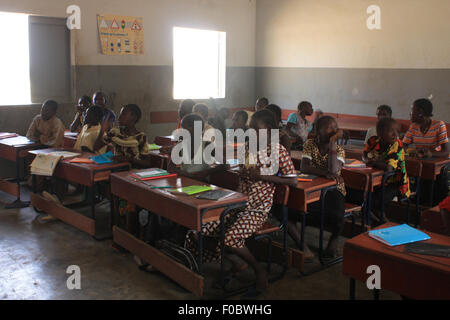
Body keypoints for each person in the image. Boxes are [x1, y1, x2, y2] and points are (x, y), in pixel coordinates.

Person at [185, 109, 297, 296]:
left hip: (257, 209)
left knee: (230, 238)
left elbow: (293, 180)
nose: (250, 131)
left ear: (268, 129)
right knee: (197, 232)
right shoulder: (249, 146)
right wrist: (242, 172)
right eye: (250, 128)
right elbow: (246, 170)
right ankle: (237, 262)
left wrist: (262, 175)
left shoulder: (278, 150)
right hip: (237, 203)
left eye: (255, 128)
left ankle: (259, 270)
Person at [288, 116, 346, 259]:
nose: (333, 130)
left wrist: (332, 143)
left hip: (334, 190)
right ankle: (304, 246)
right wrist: (324, 173)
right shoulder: (310, 144)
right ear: (317, 130)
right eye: (329, 127)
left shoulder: (339, 150)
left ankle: (334, 239)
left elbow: (333, 171)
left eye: (335, 128)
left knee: (338, 214)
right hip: (314, 188)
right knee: (291, 211)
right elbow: (304, 167)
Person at [363, 118, 411, 223]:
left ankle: (383, 221)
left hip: (396, 182)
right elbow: (365, 155)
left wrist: (373, 162)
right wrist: (367, 159)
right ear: (380, 133)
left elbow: (389, 168)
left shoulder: (397, 145)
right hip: (379, 181)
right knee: (365, 195)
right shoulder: (373, 141)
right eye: (391, 131)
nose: (395, 134)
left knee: (378, 199)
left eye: (397, 131)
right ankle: (372, 219)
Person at [94, 104, 150, 168]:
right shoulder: (115, 132)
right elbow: (96, 147)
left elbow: (147, 163)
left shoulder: (141, 137)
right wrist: (102, 130)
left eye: (123, 114)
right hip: (117, 170)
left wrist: (130, 159)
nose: (119, 117)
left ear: (133, 117)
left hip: (133, 172)